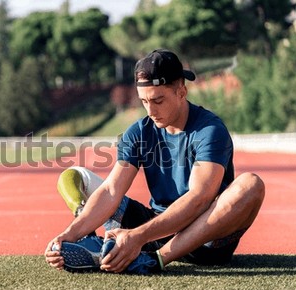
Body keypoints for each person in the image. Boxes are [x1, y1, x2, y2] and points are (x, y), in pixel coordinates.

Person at [44, 49, 265, 274]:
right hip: (156, 229)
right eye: (144, 101)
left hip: (204, 238)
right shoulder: (139, 131)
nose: (150, 110)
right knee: (77, 176)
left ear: (181, 91)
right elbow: (112, 190)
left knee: (251, 184)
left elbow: (199, 199)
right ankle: (93, 243)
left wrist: (138, 236)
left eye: (158, 100)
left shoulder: (209, 130)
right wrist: (69, 234)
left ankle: (155, 260)